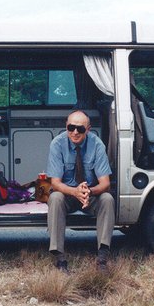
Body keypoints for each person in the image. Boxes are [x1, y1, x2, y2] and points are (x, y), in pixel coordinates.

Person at [46, 110, 115, 272]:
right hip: (67, 194)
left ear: (88, 129)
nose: (75, 132)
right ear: (66, 126)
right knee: (55, 198)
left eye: (80, 129)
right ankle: (60, 258)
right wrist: (74, 192)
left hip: (89, 194)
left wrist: (88, 192)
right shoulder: (57, 144)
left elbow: (105, 184)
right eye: (71, 127)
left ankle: (102, 258)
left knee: (107, 199)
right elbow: (55, 183)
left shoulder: (97, 145)